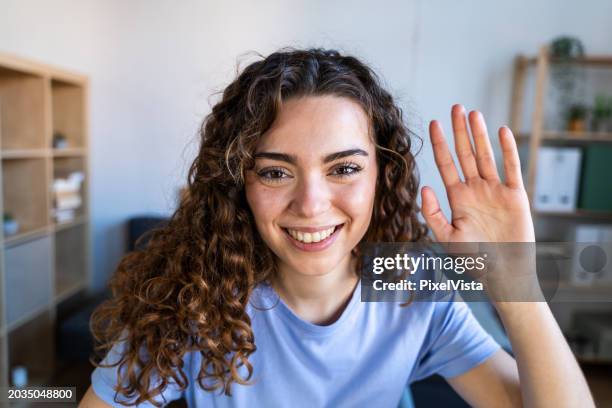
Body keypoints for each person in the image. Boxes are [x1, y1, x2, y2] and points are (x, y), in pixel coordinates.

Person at [79, 48, 594, 407]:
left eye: (343, 168)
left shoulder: (413, 289)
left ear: (380, 176)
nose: (311, 203)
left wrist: (516, 282)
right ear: (240, 183)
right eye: (276, 172)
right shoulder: (194, 296)